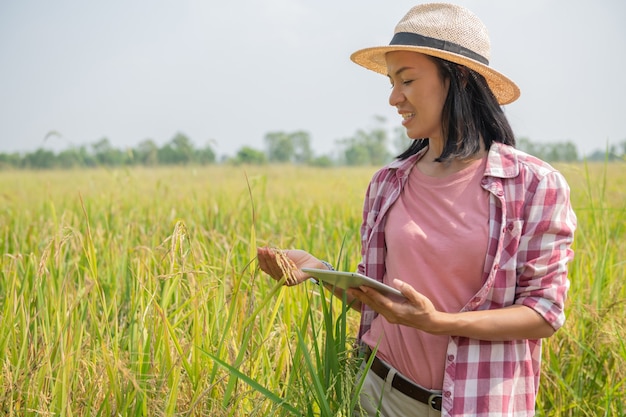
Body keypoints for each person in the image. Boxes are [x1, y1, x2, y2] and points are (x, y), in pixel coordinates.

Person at [257, 3, 576, 416]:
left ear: (458, 77)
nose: (394, 98)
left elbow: (543, 313)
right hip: (378, 394)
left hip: (479, 403)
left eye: (406, 80)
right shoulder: (387, 183)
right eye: (391, 82)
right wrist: (315, 269)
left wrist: (438, 323)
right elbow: (379, 302)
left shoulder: (533, 185)